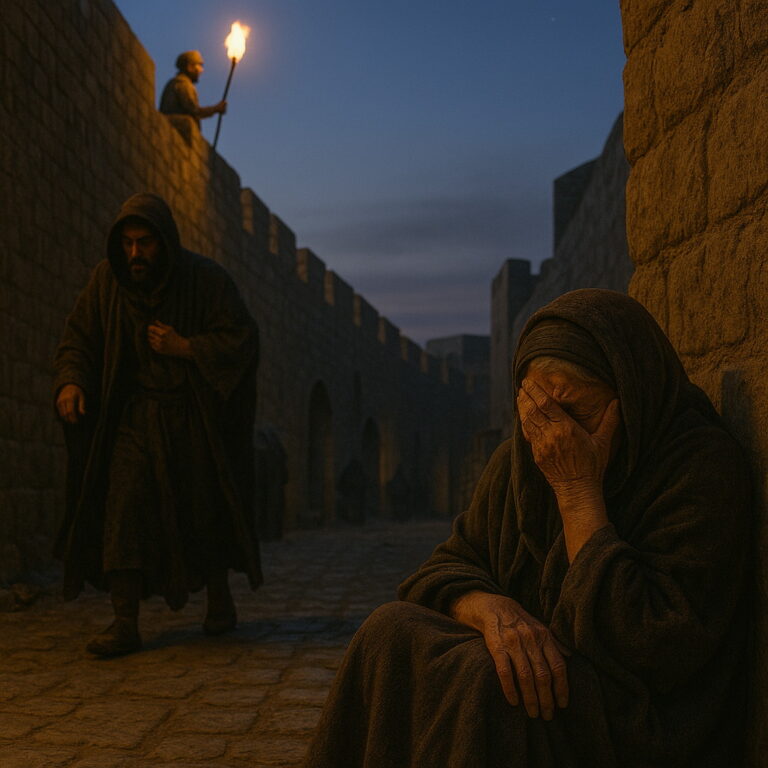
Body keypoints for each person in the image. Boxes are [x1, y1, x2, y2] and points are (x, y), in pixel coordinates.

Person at [301, 289, 751, 768]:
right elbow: (446, 567)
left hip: (637, 708)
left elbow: (653, 648)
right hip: (554, 670)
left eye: (578, 413)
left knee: (487, 681)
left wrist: (578, 492)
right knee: (387, 631)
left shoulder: (698, 466)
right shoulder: (520, 460)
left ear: (633, 395)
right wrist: (489, 609)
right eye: (540, 413)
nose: (557, 437)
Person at [53, 192, 261, 657]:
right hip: (131, 420)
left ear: (163, 242)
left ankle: (218, 598)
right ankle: (124, 621)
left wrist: (187, 347)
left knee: (201, 510)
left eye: (144, 243)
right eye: (127, 243)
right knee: (122, 512)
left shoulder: (205, 280)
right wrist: (70, 382)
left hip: (191, 420)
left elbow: (242, 338)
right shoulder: (107, 283)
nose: (134, 253)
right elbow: (78, 340)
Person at [159, 50, 226, 128]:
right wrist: (215, 109)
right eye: (200, 65)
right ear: (190, 67)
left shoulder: (178, 82)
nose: (202, 70)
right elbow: (194, 111)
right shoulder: (182, 84)